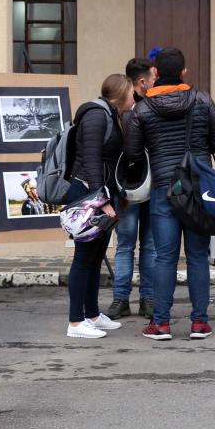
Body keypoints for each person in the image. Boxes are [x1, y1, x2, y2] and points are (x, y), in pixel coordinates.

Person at [125, 47, 215, 340]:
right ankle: (199, 322)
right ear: (183, 73)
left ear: (155, 73)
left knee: (164, 258)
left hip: (163, 189)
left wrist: (155, 150)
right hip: (197, 187)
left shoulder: (143, 109)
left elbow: (132, 153)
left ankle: (161, 323)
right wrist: (198, 148)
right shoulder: (202, 99)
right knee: (197, 256)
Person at [65, 74, 134, 339]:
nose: (133, 98)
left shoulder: (111, 114)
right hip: (87, 194)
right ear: (120, 94)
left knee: (95, 257)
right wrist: (101, 201)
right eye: (130, 93)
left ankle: (92, 314)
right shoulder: (96, 115)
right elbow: (92, 160)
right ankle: (75, 322)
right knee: (83, 258)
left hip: (100, 193)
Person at [107, 58, 159, 320]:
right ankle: (129, 299)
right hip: (131, 188)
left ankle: (136, 299)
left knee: (137, 245)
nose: (154, 81)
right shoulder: (131, 111)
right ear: (141, 82)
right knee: (134, 245)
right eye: (151, 78)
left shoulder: (132, 110)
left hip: (135, 187)